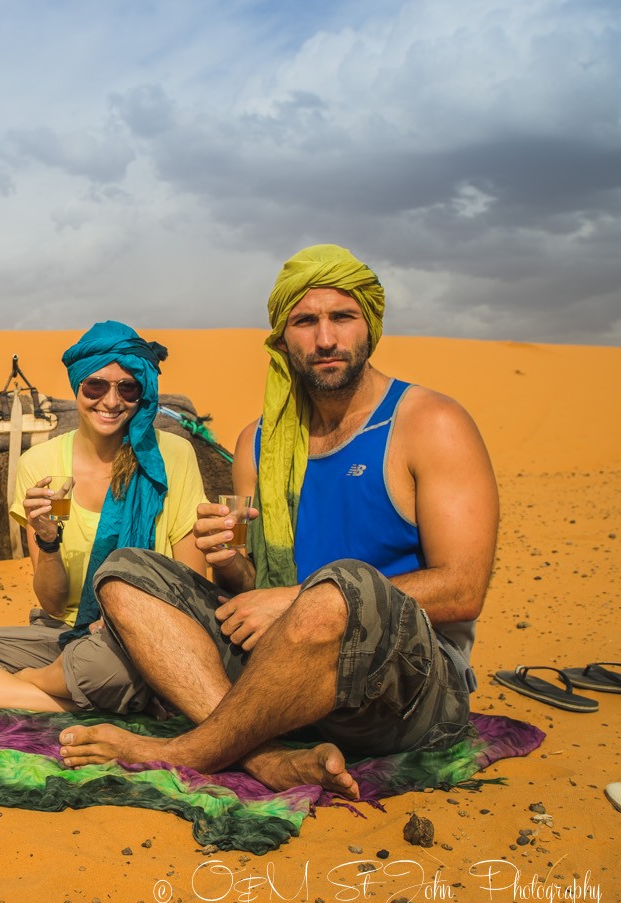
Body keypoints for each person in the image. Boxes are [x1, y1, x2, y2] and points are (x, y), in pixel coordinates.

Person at [58, 245, 499, 797]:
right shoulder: (257, 444)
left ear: (370, 326)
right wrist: (231, 562)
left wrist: (297, 598)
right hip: (284, 677)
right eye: (305, 321)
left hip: (403, 690)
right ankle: (265, 757)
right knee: (125, 571)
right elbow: (253, 593)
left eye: (342, 317)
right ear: (282, 338)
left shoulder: (431, 423)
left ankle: (188, 751)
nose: (325, 339)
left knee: (343, 584)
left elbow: (462, 589)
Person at [0, 321, 206, 713]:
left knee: (102, 666)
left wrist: (127, 622)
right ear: (78, 386)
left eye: (128, 388)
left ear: (143, 393)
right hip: (63, 633)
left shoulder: (172, 455)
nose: (111, 401)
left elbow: (191, 583)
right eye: (96, 386)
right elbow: (52, 604)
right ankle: (61, 697)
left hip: (149, 634)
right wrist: (48, 541)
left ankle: (33, 682)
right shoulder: (40, 465)